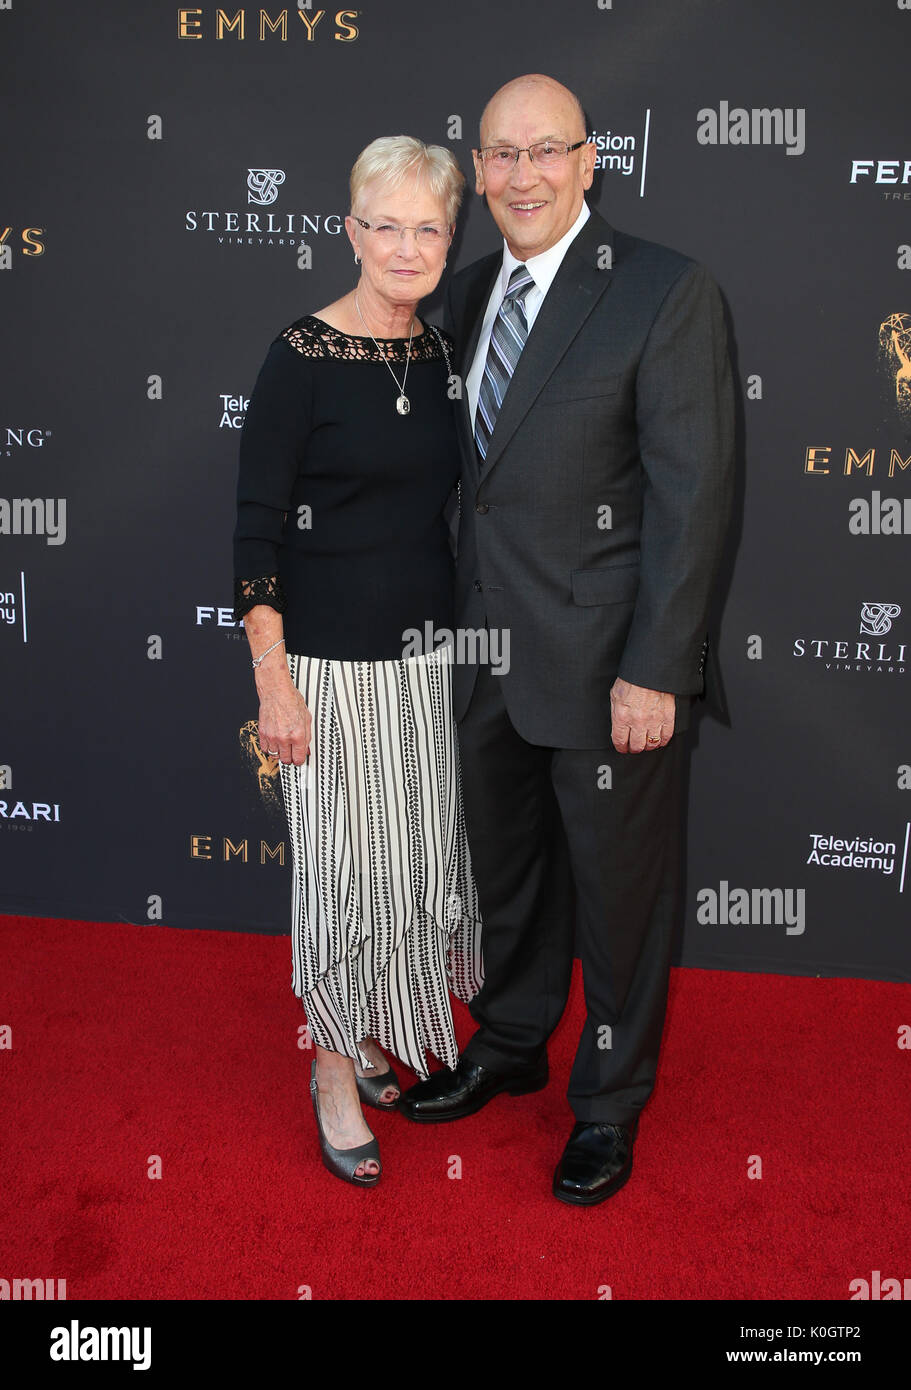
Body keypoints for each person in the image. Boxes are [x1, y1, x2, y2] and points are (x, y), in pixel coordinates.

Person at [399, 75, 736, 1206]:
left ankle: (605, 1104)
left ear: (592, 162)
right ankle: (508, 1043)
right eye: (500, 155)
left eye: (547, 151)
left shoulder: (660, 292)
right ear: (478, 171)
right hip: (480, 656)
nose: (523, 175)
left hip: (608, 672)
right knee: (508, 876)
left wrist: (657, 665)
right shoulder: (459, 295)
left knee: (619, 897)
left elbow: (693, 503)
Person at [232, 136, 481, 1188]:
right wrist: (272, 680)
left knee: (405, 870)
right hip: (323, 669)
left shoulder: (438, 353)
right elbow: (253, 531)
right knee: (339, 879)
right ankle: (331, 1070)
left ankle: (373, 1033)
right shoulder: (297, 353)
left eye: (426, 227)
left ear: (447, 238)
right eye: (385, 224)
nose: (405, 246)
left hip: (423, 664)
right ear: (349, 231)